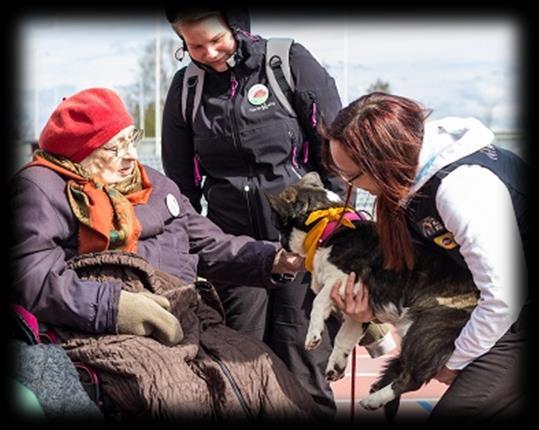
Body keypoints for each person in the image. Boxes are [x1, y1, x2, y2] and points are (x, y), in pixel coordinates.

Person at [8, 87, 325, 422]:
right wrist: (116, 307)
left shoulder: (155, 185)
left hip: (186, 315)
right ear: (81, 155)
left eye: (131, 139)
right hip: (102, 328)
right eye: (115, 148)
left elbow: (208, 244)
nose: (131, 155)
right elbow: (33, 276)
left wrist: (274, 258)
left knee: (261, 366)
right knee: (178, 389)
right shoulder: (42, 188)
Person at [161, 6, 395, 417]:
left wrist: (340, 241)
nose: (209, 52)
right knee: (235, 364)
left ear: (236, 26)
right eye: (194, 46)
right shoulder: (186, 89)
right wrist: (192, 250)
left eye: (217, 40)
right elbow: (181, 187)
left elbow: (335, 156)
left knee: (301, 361)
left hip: (307, 245)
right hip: (234, 252)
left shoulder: (289, 62)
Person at [323, 92, 530, 422]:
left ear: (383, 161)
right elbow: (428, 282)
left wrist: (452, 362)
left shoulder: (461, 189)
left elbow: (504, 295)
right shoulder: (413, 187)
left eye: (352, 176)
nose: (350, 185)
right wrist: (370, 310)